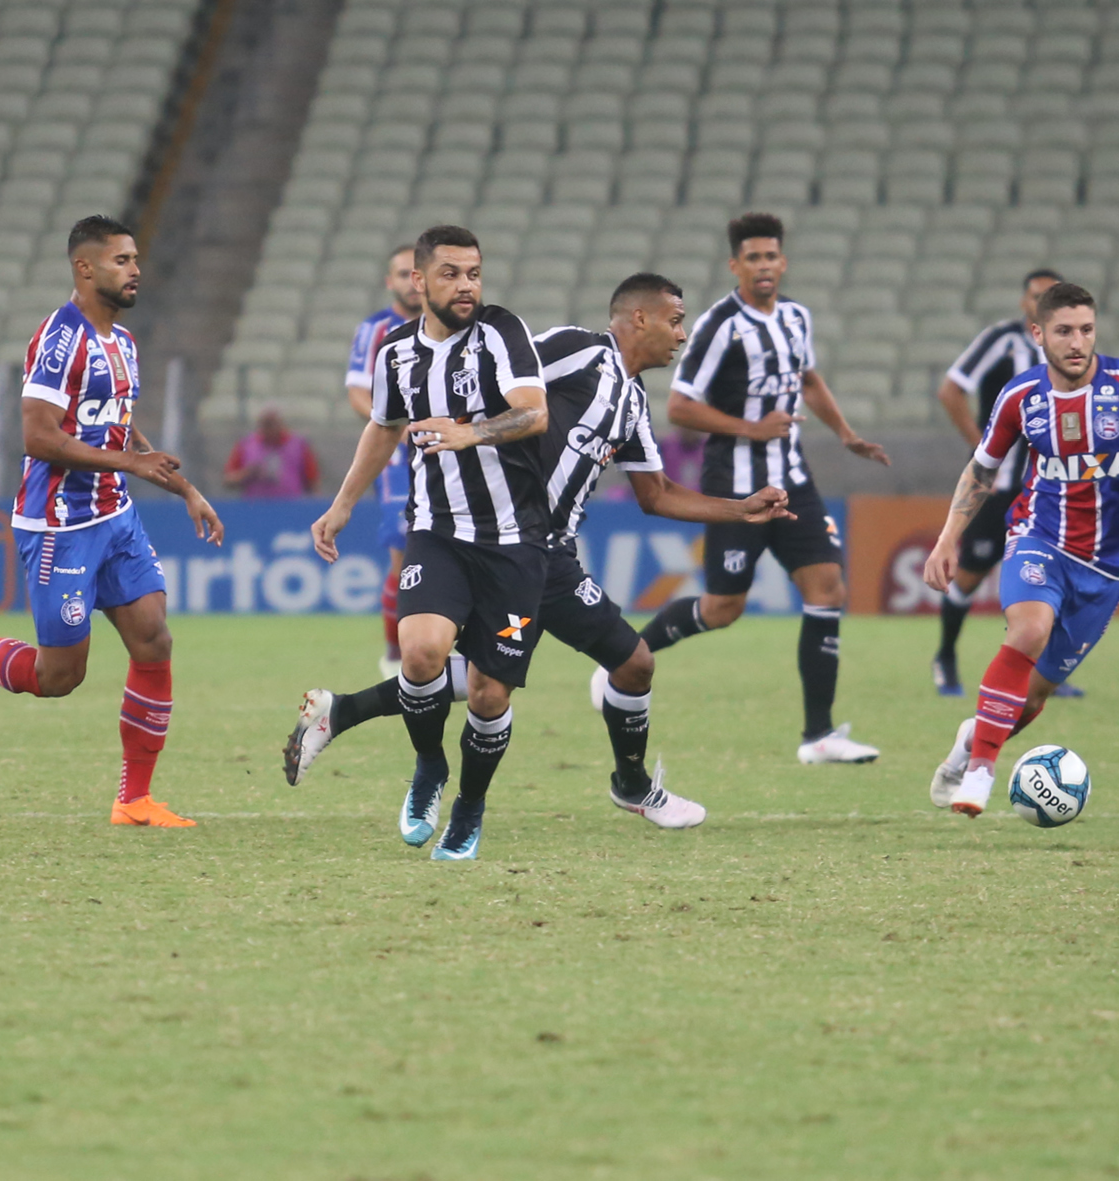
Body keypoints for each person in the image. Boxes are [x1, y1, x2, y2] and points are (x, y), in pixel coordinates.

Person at [285, 273, 796, 828]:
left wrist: (740, 508)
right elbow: (496, 377)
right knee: (477, 676)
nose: (682, 334)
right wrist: (462, 429)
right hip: (495, 537)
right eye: (675, 320)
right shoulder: (577, 350)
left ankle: (630, 783)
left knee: (630, 665)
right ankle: (419, 766)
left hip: (550, 556)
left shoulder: (632, 402)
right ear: (639, 319)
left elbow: (657, 493)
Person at [0, 215, 226, 827]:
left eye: (135, 259)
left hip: (115, 516)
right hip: (58, 527)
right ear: (85, 267)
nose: (135, 270)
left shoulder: (122, 343)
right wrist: (131, 461)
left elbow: (120, 431)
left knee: (154, 637)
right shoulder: (59, 338)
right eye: (122, 260)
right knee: (59, 677)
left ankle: (135, 800)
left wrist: (184, 488)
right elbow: (38, 438)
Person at [923, 282, 1119, 816]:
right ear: (1039, 334)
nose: (1077, 341)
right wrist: (948, 538)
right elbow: (982, 470)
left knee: (1032, 696)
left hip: (1107, 567)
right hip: (1038, 537)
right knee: (1029, 630)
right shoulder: (1020, 396)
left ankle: (973, 738)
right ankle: (981, 774)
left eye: (1086, 329)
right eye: (1063, 331)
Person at [308, 225, 549, 862]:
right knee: (419, 657)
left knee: (491, 694)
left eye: (473, 273)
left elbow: (534, 412)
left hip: (514, 540)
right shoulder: (394, 352)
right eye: (450, 274)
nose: (466, 285)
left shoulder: (502, 332)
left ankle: (468, 810)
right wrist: (342, 505)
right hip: (437, 530)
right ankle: (429, 767)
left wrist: (471, 434)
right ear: (419, 280)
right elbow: (383, 429)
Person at [635, 212, 891, 764]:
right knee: (725, 607)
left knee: (828, 589)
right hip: (734, 486)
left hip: (792, 480)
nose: (764, 266)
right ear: (736, 265)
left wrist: (846, 434)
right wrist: (750, 427)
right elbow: (679, 405)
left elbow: (808, 379)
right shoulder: (719, 325)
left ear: (783, 261)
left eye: (771, 256)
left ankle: (819, 736)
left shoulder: (797, 317)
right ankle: (627, 658)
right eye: (752, 258)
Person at [930, 269, 1081, 699]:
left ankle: (1050, 673)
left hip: (1050, 490)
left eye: (1051, 297)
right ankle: (945, 657)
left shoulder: (1071, 351)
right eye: (1036, 297)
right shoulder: (1002, 340)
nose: (1042, 304)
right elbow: (951, 390)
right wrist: (983, 448)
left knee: (1053, 580)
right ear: (1024, 303)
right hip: (998, 489)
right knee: (971, 575)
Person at [347, 245, 425, 679]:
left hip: (451, 452)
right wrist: (397, 422)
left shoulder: (452, 325)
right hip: (397, 457)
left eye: (415, 273)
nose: (409, 282)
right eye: (401, 274)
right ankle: (395, 655)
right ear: (389, 282)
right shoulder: (376, 329)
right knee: (404, 550)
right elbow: (357, 391)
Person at [222, 407, 320, 497]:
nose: (269, 429)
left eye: (272, 424)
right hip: (255, 507)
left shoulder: (299, 445)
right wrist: (248, 473)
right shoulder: (246, 445)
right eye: (266, 424)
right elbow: (228, 479)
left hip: (290, 506)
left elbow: (312, 480)